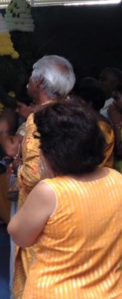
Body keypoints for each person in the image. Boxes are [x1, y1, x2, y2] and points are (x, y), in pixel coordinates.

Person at [8, 100, 122, 298]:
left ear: (53, 151)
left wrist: (46, 177)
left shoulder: (50, 192)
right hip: (109, 291)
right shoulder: (116, 179)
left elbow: (20, 236)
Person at [11, 55, 75, 299]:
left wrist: (17, 170)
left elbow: (33, 173)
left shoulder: (39, 118)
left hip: (40, 210)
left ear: (38, 81)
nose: (28, 80)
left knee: (35, 278)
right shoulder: (73, 113)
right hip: (69, 206)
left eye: (31, 74)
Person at [74, 77, 115, 168]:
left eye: (77, 101)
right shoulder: (88, 122)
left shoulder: (101, 127)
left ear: (89, 103)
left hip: (95, 179)